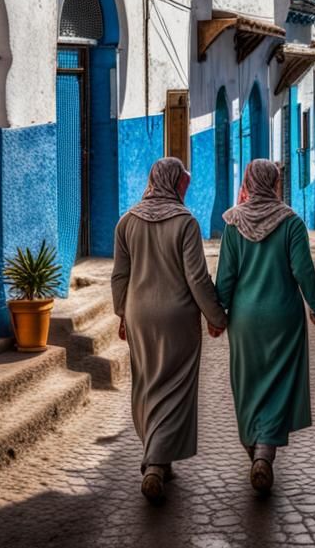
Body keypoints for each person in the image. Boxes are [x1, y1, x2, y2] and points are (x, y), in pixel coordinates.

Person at [215, 159, 315, 496]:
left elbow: (224, 279)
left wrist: (215, 316)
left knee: (248, 381)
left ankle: (256, 448)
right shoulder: (291, 222)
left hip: (245, 318)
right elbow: (304, 274)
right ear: (275, 183)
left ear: (249, 182)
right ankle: (265, 452)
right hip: (284, 316)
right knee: (279, 382)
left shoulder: (232, 222)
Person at [111, 157, 228, 504]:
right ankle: (155, 463)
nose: (185, 190)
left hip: (139, 314)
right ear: (174, 183)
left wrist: (122, 313)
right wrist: (216, 316)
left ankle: (160, 455)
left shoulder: (126, 221)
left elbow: (120, 276)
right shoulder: (185, 222)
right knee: (175, 386)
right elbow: (196, 277)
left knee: (147, 382)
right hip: (177, 317)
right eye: (183, 184)